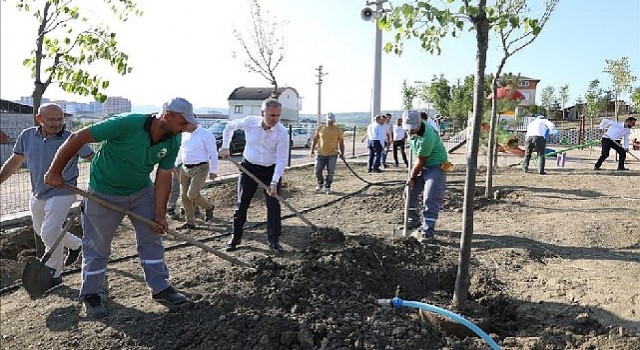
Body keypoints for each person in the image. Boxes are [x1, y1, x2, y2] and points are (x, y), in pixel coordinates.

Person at [44, 97, 197, 317]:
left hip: (141, 192)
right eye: (182, 123)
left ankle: (160, 288)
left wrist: (160, 215)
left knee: (152, 238)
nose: (185, 128)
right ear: (167, 116)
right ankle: (91, 294)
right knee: (97, 245)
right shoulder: (127, 124)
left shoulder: (173, 139)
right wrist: (55, 171)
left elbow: (164, 177)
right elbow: (79, 137)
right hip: (103, 191)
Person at [0, 103, 94, 290]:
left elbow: (94, 159)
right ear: (39, 118)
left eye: (60, 119)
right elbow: (16, 161)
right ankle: (76, 245)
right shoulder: (27, 136)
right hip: (39, 192)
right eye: (51, 119)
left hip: (64, 190)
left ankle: (55, 276)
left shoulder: (72, 139)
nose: (57, 123)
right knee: (41, 229)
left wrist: (98, 184)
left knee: (49, 231)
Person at [220, 98, 288, 254]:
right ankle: (235, 238)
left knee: (273, 205)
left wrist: (274, 182)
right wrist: (225, 146)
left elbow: (282, 159)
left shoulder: (282, 132)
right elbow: (229, 127)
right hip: (249, 168)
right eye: (271, 115)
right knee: (242, 203)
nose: (275, 119)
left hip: (270, 170)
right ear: (262, 113)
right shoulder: (250, 122)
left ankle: (274, 240)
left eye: (278, 115)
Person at [403, 110, 448, 241]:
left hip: (437, 164)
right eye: (408, 129)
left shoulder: (428, 136)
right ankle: (413, 221)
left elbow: (421, 160)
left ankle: (428, 230)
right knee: (410, 191)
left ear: (419, 122)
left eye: (412, 129)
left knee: (431, 196)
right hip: (422, 163)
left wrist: (412, 177)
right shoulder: (410, 129)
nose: (410, 131)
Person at [176, 123, 218, 230]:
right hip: (184, 168)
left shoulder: (206, 134)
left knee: (193, 194)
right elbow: (182, 150)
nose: (184, 127)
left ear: (192, 122)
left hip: (200, 168)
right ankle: (190, 222)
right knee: (184, 196)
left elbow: (213, 153)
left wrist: (213, 170)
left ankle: (209, 207)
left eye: (185, 124)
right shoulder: (185, 134)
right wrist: (176, 164)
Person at [310, 112, 345, 195]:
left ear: (334, 121)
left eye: (332, 121)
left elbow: (341, 143)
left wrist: (342, 154)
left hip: (332, 154)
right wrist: (312, 150)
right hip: (321, 153)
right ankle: (320, 182)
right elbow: (315, 139)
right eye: (329, 121)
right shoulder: (321, 128)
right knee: (318, 170)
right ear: (326, 120)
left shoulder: (337, 130)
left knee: (330, 172)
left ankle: (328, 186)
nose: (330, 122)